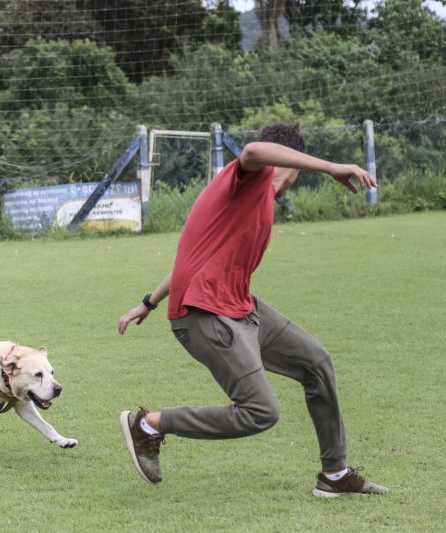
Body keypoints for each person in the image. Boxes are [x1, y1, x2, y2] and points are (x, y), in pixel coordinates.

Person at [117, 122, 389, 497]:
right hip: (204, 313)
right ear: (290, 161)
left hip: (242, 307)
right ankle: (148, 424)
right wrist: (329, 166)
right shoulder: (248, 177)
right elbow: (252, 151)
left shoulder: (259, 199)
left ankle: (335, 474)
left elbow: (193, 258)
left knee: (317, 364)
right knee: (260, 411)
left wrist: (148, 302)